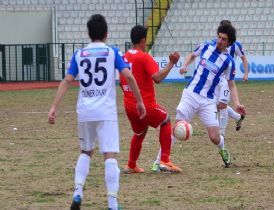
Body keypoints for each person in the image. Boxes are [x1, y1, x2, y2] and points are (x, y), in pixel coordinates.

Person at [48, 14, 146, 210]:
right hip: (105, 111)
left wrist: (54, 107)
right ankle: (112, 203)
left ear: (89, 33)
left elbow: (67, 80)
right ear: (106, 33)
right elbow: (128, 75)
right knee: (109, 155)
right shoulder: (112, 52)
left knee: (85, 151)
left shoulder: (79, 54)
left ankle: (77, 192)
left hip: (85, 110)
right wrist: (140, 101)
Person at [152, 23, 246, 169]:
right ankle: (158, 162)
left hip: (208, 101)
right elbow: (192, 54)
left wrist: (237, 104)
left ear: (229, 43)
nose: (220, 41)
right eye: (219, 37)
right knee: (177, 128)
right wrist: (184, 65)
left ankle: (223, 149)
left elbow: (231, 85)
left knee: (214, 137)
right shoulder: (206, 46)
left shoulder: (229, 62)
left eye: (224, 39)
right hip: (190, 94)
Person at [119, 25, 182, 174]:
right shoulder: (144, 56)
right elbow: (157, 78)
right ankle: (165, 161)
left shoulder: (124, 56)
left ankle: (131, 165)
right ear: (143, 40)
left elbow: (121, 81)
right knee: (165, 120)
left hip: (129, 105)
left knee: (140, 132)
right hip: (145, 105)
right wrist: (171, 63)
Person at [212, 20, 248, 137]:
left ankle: (221, 133)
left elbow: (244, 59)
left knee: (222, 105)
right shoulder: (216, 43)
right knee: (217, 105)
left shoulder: (236, 45)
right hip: (217, 78)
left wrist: (246, 73)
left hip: (227, 79)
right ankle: (237, 117)